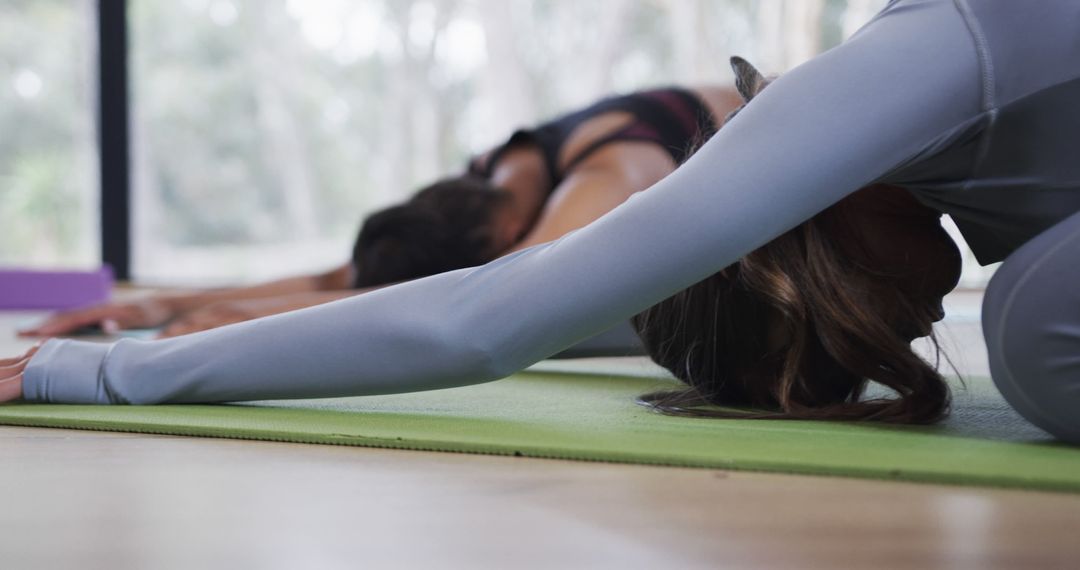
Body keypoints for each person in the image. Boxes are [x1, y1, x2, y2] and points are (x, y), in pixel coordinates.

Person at [5, 0, 1079, 442]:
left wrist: (103, 365)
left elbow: (503, 310)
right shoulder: (961, 168)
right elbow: (558, 301)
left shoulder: (883, 80)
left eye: (860, 330)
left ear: (791, 274)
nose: (917, 315)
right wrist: (180, 305)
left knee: (1028, 328)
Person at [17, 86, 742, 343]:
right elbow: (349, 276)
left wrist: (263, 323)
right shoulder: (479, 185)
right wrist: (154, 306)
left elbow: (504, 296)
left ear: (506, 236)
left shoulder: (608, 175)